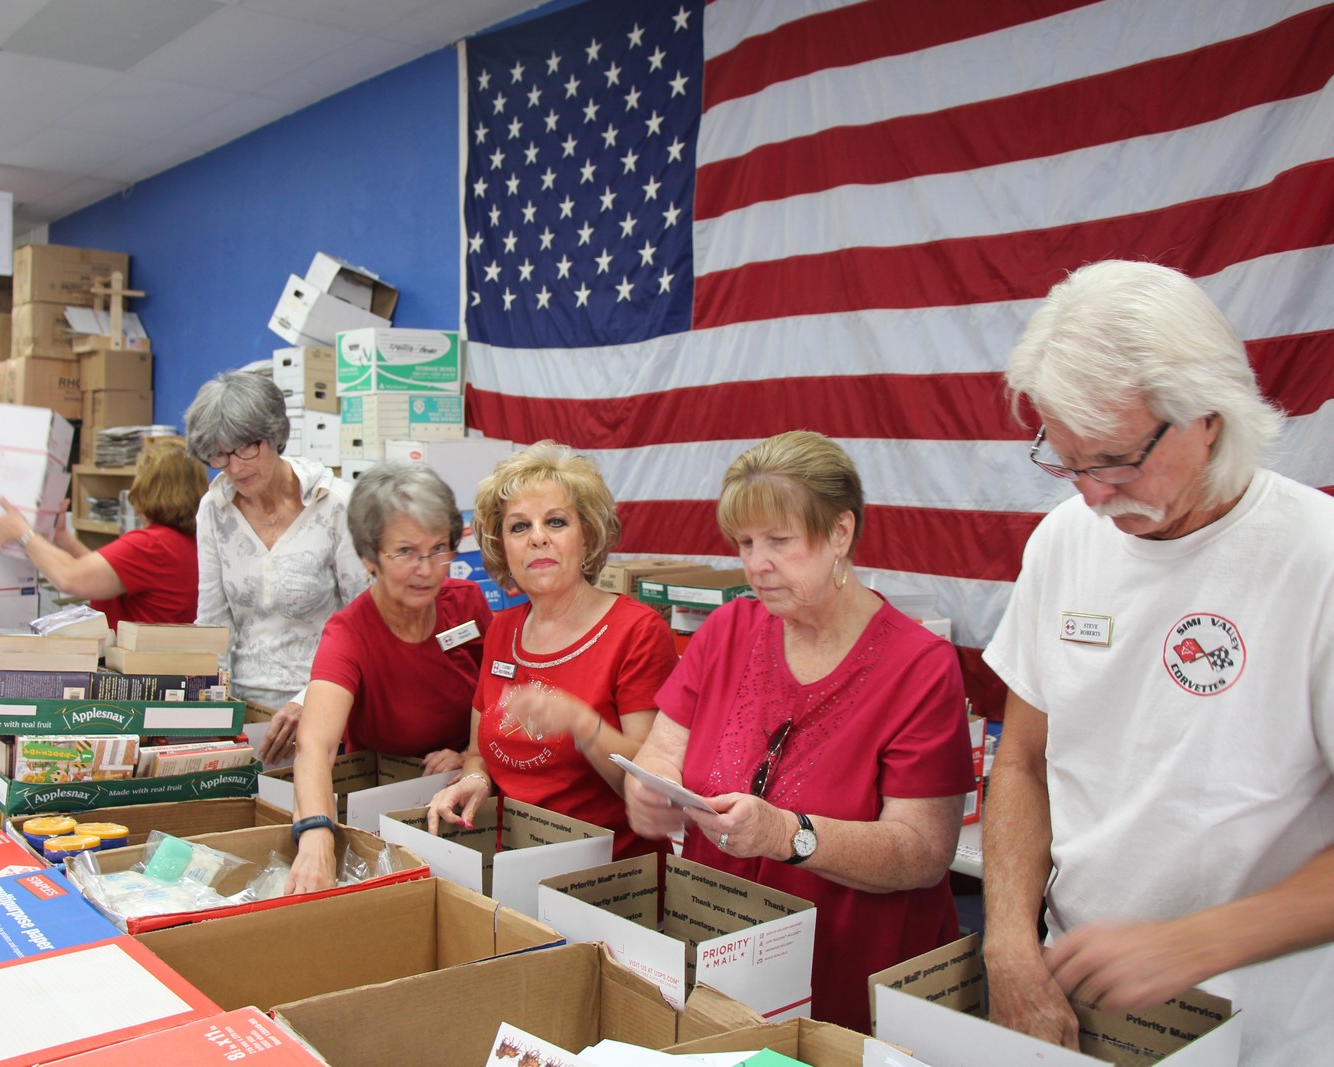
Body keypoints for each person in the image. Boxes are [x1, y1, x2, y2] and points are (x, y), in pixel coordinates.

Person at [981, 260, 1334, 1066]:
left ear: (1208, 415)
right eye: (1067, 461)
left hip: (1270, 1028)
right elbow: (1025, 761)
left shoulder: (1317, 558)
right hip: (1087, 1009)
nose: (1094, 495)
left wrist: (1198, 941)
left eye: (1114, 460)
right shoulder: (1064, 542)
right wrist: (1007, 938)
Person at [622, 431, 973, 1033]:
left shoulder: (921, 667)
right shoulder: (728, 628)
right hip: (725, 947)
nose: (757, 564)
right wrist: (649, 790)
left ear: (840, 533)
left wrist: (787, 834)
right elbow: (662, 750)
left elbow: (922, 852)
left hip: (852, 967)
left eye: (780, 542)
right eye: (746, 543)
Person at [426, 441, 677, 861]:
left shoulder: (638, 631)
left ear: (588, 537)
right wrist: (475, 780)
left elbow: (651, 791)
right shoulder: (503, 629)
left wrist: (582, 724)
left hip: (611, 877)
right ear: (502, 545)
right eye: (519, 527)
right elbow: (478, 754)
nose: (538, 538)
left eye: (556, 522)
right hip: (515, 866)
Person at [286, 461, 492, 893]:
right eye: (405, 552)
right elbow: (315, 745)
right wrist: (316, 832)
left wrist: (470, 755)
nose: (427, 569)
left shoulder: (468, 604)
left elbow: (497, 701)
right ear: (368, 558)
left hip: (465, 806)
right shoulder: (349, 634)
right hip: (385, 813)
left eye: (438, 548)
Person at [185, 369, 368, 761]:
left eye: (245, 449)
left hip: (326, 704)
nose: (234, 467)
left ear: (275, 435)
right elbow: (213, 623)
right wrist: (210, 714)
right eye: (219, 455)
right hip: (246, 710)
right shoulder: (214, 509)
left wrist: (310, 701)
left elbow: (363, 621)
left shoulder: (334, 503)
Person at [0, 437, 207, 630]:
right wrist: (65, 541)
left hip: (134, 675)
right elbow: (112, 576)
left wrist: (22, 532)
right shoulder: (185, 542)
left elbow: (70, 578)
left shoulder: (152, 545)